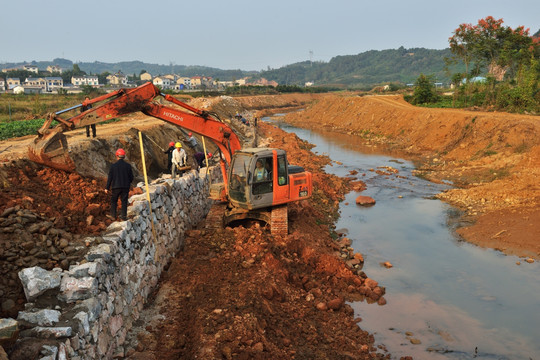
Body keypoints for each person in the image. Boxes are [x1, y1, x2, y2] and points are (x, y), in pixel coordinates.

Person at [105, 148, 134, 221]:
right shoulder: (128, 166)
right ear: (124, 156)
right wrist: (128, 183)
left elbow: (110, 178)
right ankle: (123, 217)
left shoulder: (113, 166)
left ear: (117, 156)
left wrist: (107, 188)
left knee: (114, 200)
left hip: (116, 187)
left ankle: (113, 215)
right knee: (124, 201)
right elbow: (131, 177)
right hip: (125, 187)